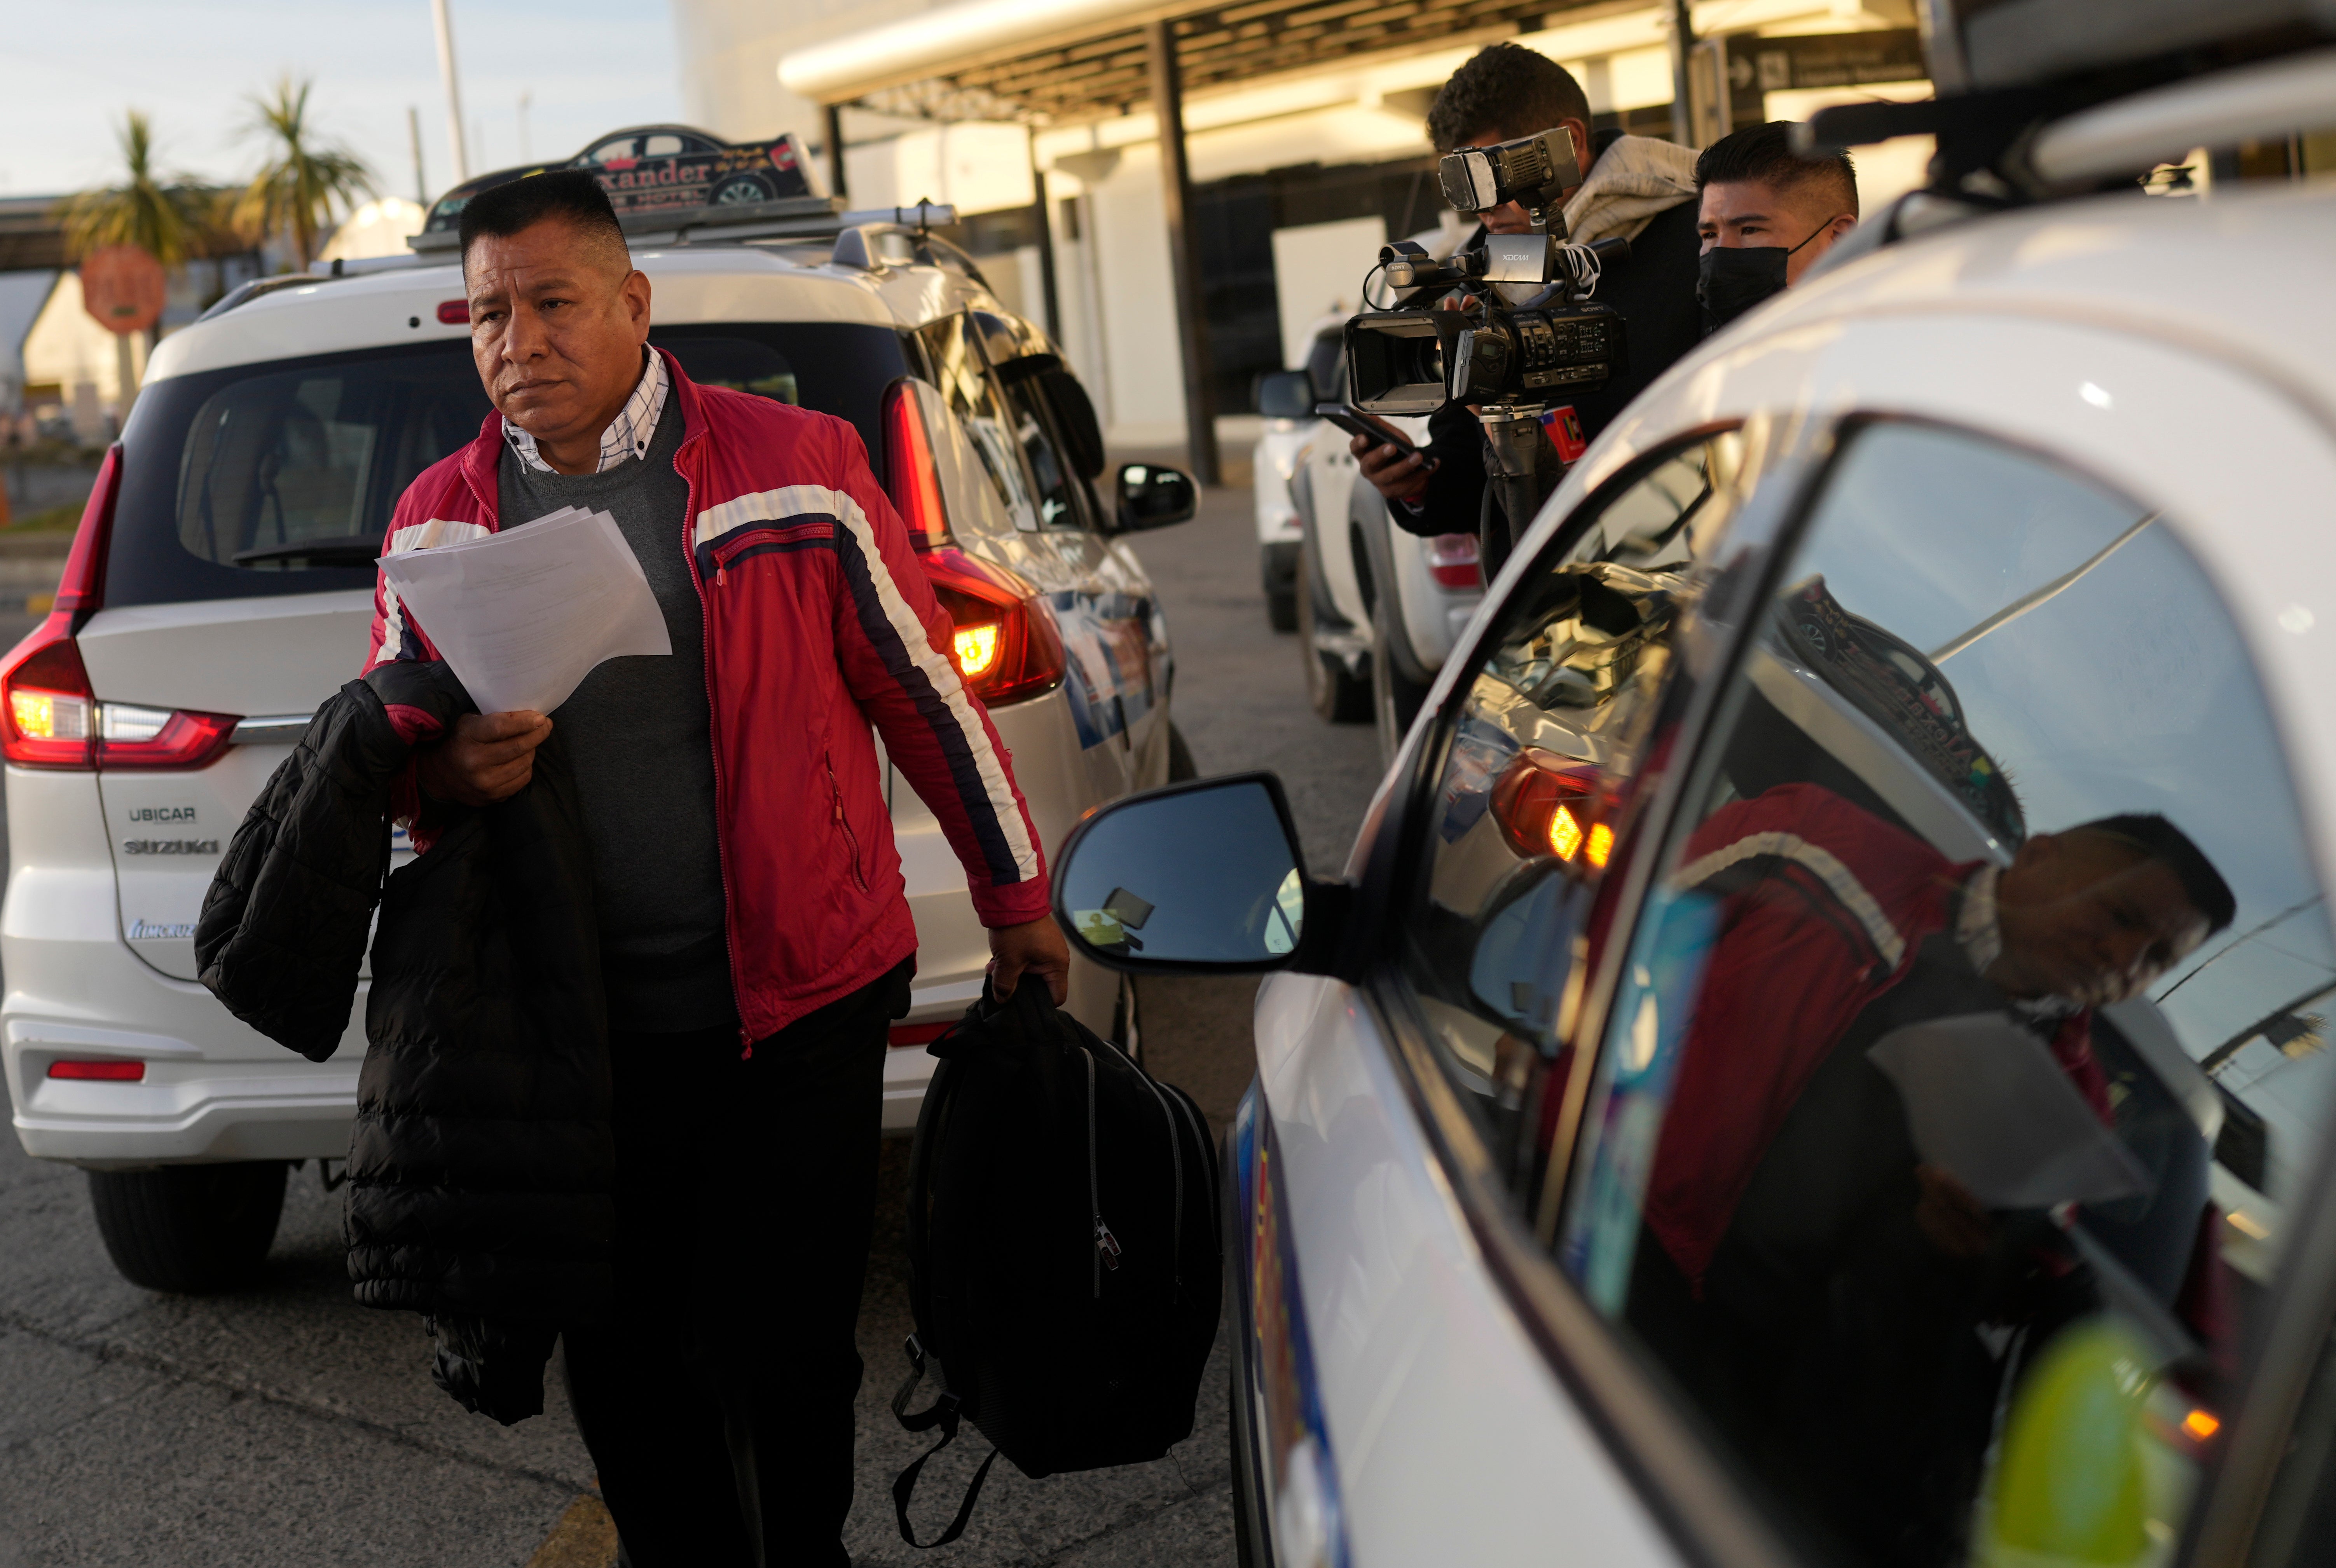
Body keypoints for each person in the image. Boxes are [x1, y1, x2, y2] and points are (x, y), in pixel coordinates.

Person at [367, 170, 1070, 1565]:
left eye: (552, 302)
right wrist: (441, 778)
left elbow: (924, 693)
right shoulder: (437, 522)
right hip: (578, 1035)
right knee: (623, 1364)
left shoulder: (794, 465)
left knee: (787, 1348)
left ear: (633, 301)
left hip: (798, 1003)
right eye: (489, 313)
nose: (518, 340)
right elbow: (390, 777)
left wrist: (1019, 900)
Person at [1353, 43, 1704, 545]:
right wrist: (1417, 483)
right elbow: (1466, 472)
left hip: (1687, 567)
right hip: (1541, 590)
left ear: (1568, 142)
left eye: (1492, 178)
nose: (1483, 210)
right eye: (1462, 184)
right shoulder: (1479, 270)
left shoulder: (1699, 232)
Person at [1693, 120, 1861, 335]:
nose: (1720, 252)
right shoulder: (1710, 359)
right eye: (1710, 235)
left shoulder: (1893, 342)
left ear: (1839, 237)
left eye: (1750, 230)